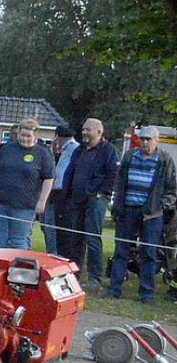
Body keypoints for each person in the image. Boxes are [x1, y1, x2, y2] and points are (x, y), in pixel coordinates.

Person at [107, 125, 176, 303]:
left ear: (156, 140)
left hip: (152, 215)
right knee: (121, 251)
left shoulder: (165, 159)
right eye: (142, 138)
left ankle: (146, 294)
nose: (145, 142)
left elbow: (172, 190)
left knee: (149, 254)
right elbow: (119, 182)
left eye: (149, 139)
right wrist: (117, 206)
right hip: (127, 210)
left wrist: (159, 206)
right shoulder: (129, 156)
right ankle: (114, 289)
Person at [55, 118, 118, 288]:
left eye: (88, 130)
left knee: (92, 239)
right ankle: (74, 274)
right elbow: (70, 172)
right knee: (75, 238)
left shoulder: (109, 150)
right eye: (83, 129)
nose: (84, 133)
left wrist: (98, 193)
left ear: (99, 132)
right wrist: (66, 194)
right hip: (76, 200)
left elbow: (112, 174)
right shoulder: (79, 150)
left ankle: (94, 278)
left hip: (96, 201)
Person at [0, 117, 55, 250]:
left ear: (35, 135)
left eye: (28, 136)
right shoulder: (7, 149)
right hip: (1, 202)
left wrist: (42, 201)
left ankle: (19, 270)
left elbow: (48, 178)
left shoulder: (42, 154)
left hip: (24, 205)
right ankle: (0, 267)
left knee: (17, 241)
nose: (24, 139)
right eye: (22, 135)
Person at [39, 126, 77, 254]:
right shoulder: (64, 150)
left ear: (58, 137)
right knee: (46, 225)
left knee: (51, 227)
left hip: (60, 194)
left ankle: (53, 254)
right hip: (54, 192)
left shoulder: (73, 149)